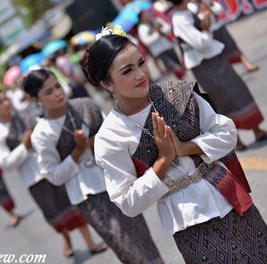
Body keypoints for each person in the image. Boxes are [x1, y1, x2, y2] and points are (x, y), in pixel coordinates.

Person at [79, 30, 267, 263]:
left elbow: (226, 132)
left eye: (141, 63)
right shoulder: (110, 136)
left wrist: (186, 148)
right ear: (106, 83)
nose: (141, 74)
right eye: (127, 70)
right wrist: (163, 162)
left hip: (228, 196)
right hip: (187, 222)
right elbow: (127, 202)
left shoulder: (178, 94)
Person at [24, 68, 164, 264]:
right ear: (36, 100)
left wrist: (93, 143)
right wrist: (77, 151)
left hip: (115, 180)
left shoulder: (85, 106)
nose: (57, 93)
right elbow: (54, 175)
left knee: (142, 237)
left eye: (57, 86)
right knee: (124, 245)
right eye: (48, 92)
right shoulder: (42, 133)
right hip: (88, 195)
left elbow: (113, 136)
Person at [0, 88, 103, 257]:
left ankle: (90, 243)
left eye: (6, 99)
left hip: (52, 168)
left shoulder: (25, 117)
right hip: (33, 179)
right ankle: (67, 239)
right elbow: (6, 164)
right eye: (0, 102)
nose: (6, 103)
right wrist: (23, 147)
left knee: (73, 205)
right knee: (53, 214)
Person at [165, 0, 267, 150]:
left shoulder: (188, 11)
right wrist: (206, 25)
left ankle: (256, 130)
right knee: (223, 99)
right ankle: (236, 139)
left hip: (213, 58)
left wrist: (206, 19)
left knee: (238, 91)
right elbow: (201, 43)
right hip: (204, 65)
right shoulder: (179, 20)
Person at [187, 0, 259, 72]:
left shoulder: (206, 0)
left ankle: (247, 64)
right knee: (218, 54)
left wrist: (210, 7)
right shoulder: (190, 7)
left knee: (232, 46)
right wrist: (203, 13)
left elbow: (220, 10)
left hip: (218, 26)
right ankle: (229, 72)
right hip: (207, 33)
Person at [137, 10, 186, 80]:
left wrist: (161, 30)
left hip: (168, 45)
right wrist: (157, 34)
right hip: (159, 51)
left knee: (179, 64)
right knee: (175, 66)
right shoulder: (142, 29)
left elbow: (167, 27)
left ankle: (182, 79)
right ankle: (183, 81)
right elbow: (146, 41)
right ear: (141, 19)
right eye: (145, 15)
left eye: (147, 14)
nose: (148, 16)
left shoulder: (156, 21)